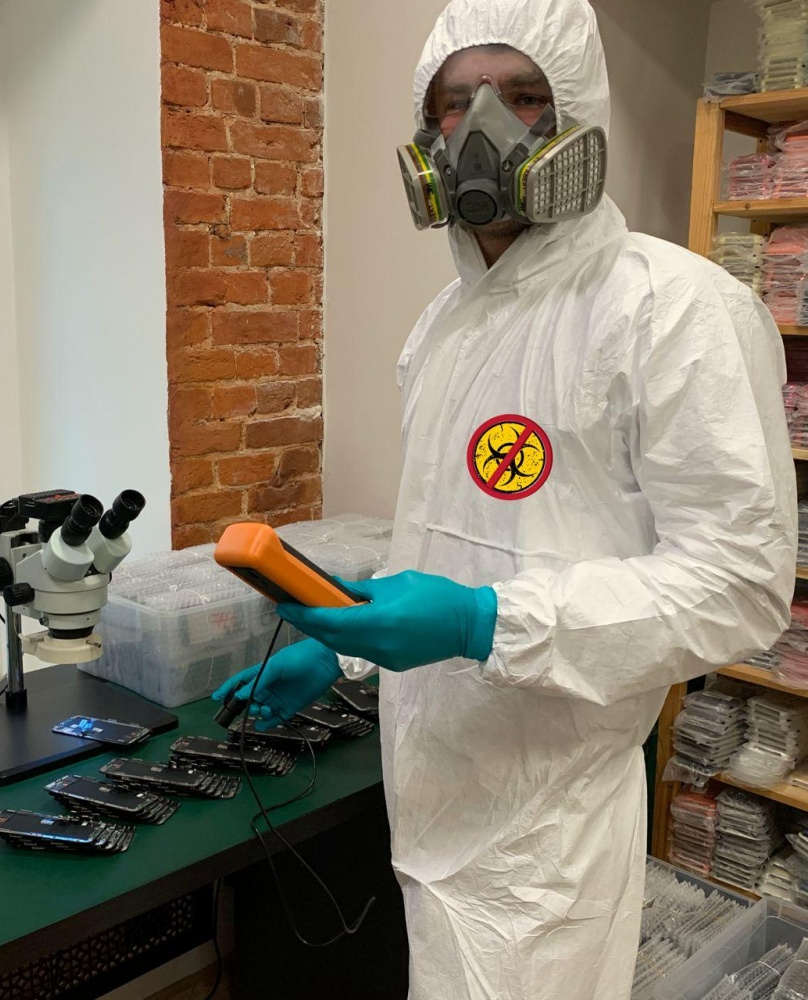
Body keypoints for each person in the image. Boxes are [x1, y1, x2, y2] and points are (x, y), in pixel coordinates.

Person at [214, 0, 798, 996]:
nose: (482, 128)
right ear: (427, 129)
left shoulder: (676, 309)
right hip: (432, 797)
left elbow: (738, 587)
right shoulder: (442, 327)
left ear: (577, 115)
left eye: (523, 96)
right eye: (456, 102)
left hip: (548, 841)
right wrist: (345, 646)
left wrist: (485, 623)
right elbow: (446, 542)